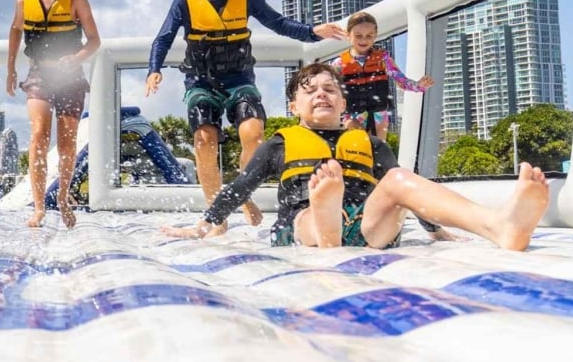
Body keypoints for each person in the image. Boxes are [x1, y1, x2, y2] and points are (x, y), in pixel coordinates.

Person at [169, 62, 549, 251]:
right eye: (310, 90)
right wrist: (203, 227)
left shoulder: (371, 144)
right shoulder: (279, 145)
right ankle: (325, 224)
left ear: (343, 103)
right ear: (293, 106)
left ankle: (498, 226)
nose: (321, 94)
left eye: (330, 89)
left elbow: (414, 196)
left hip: (367, 226)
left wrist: (436, 231)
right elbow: (240, 187)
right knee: (308, 213)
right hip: (303, 225)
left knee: (398, 180)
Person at [145, 0, 346, 230]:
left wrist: (312, 32)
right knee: (204, 140)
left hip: (238, 78)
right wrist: (154, 69)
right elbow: (163, 38)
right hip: (201, 81)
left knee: (253, 135)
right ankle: (218, 217)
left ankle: (241, 194)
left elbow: (277, 22)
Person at [6, 0, 102, 228]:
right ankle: (38, 207)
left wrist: (77, 57)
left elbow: (94, 41)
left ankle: (62, 198)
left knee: (67, 142)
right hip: (39, 74)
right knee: (38, 134)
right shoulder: (24, 0)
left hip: (70, 78)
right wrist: (11, 69)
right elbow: (15, 31)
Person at [336, 11, 434, 139]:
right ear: (348, 35)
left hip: (379, 116)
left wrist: (418, 85)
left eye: (369, 35)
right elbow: (328, 86)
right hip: (352, 115)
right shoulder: (339, 63)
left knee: (377, 147)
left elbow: (401, 80)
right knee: (359, 143)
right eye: (358, 35)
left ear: (375, 35)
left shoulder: (383, 59)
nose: (364, 40)